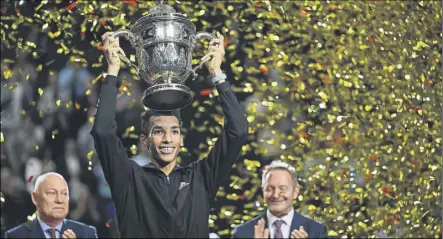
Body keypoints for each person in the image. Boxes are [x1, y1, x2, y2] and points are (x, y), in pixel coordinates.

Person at [90, 31, 248, 238]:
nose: (167, 138)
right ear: (144, 141)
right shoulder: (129, 178)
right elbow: (102, 131)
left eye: (174, 131)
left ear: (181, 140)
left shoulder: (201, 177)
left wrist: (217, 73)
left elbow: (238, 131)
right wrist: (112, 71)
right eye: (158, 131)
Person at [232, 161, 328, 238]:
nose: (276, 195)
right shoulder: (242, 233)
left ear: (295, 192)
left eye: (283, 188)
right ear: (263, 191)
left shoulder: (316, 231)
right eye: (269, 189)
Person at [4, 172, 97, 238]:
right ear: (35, 197)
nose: (59, 200)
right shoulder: (16, 235)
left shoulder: (87, 233)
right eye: (52, 193)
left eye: (64, 194)